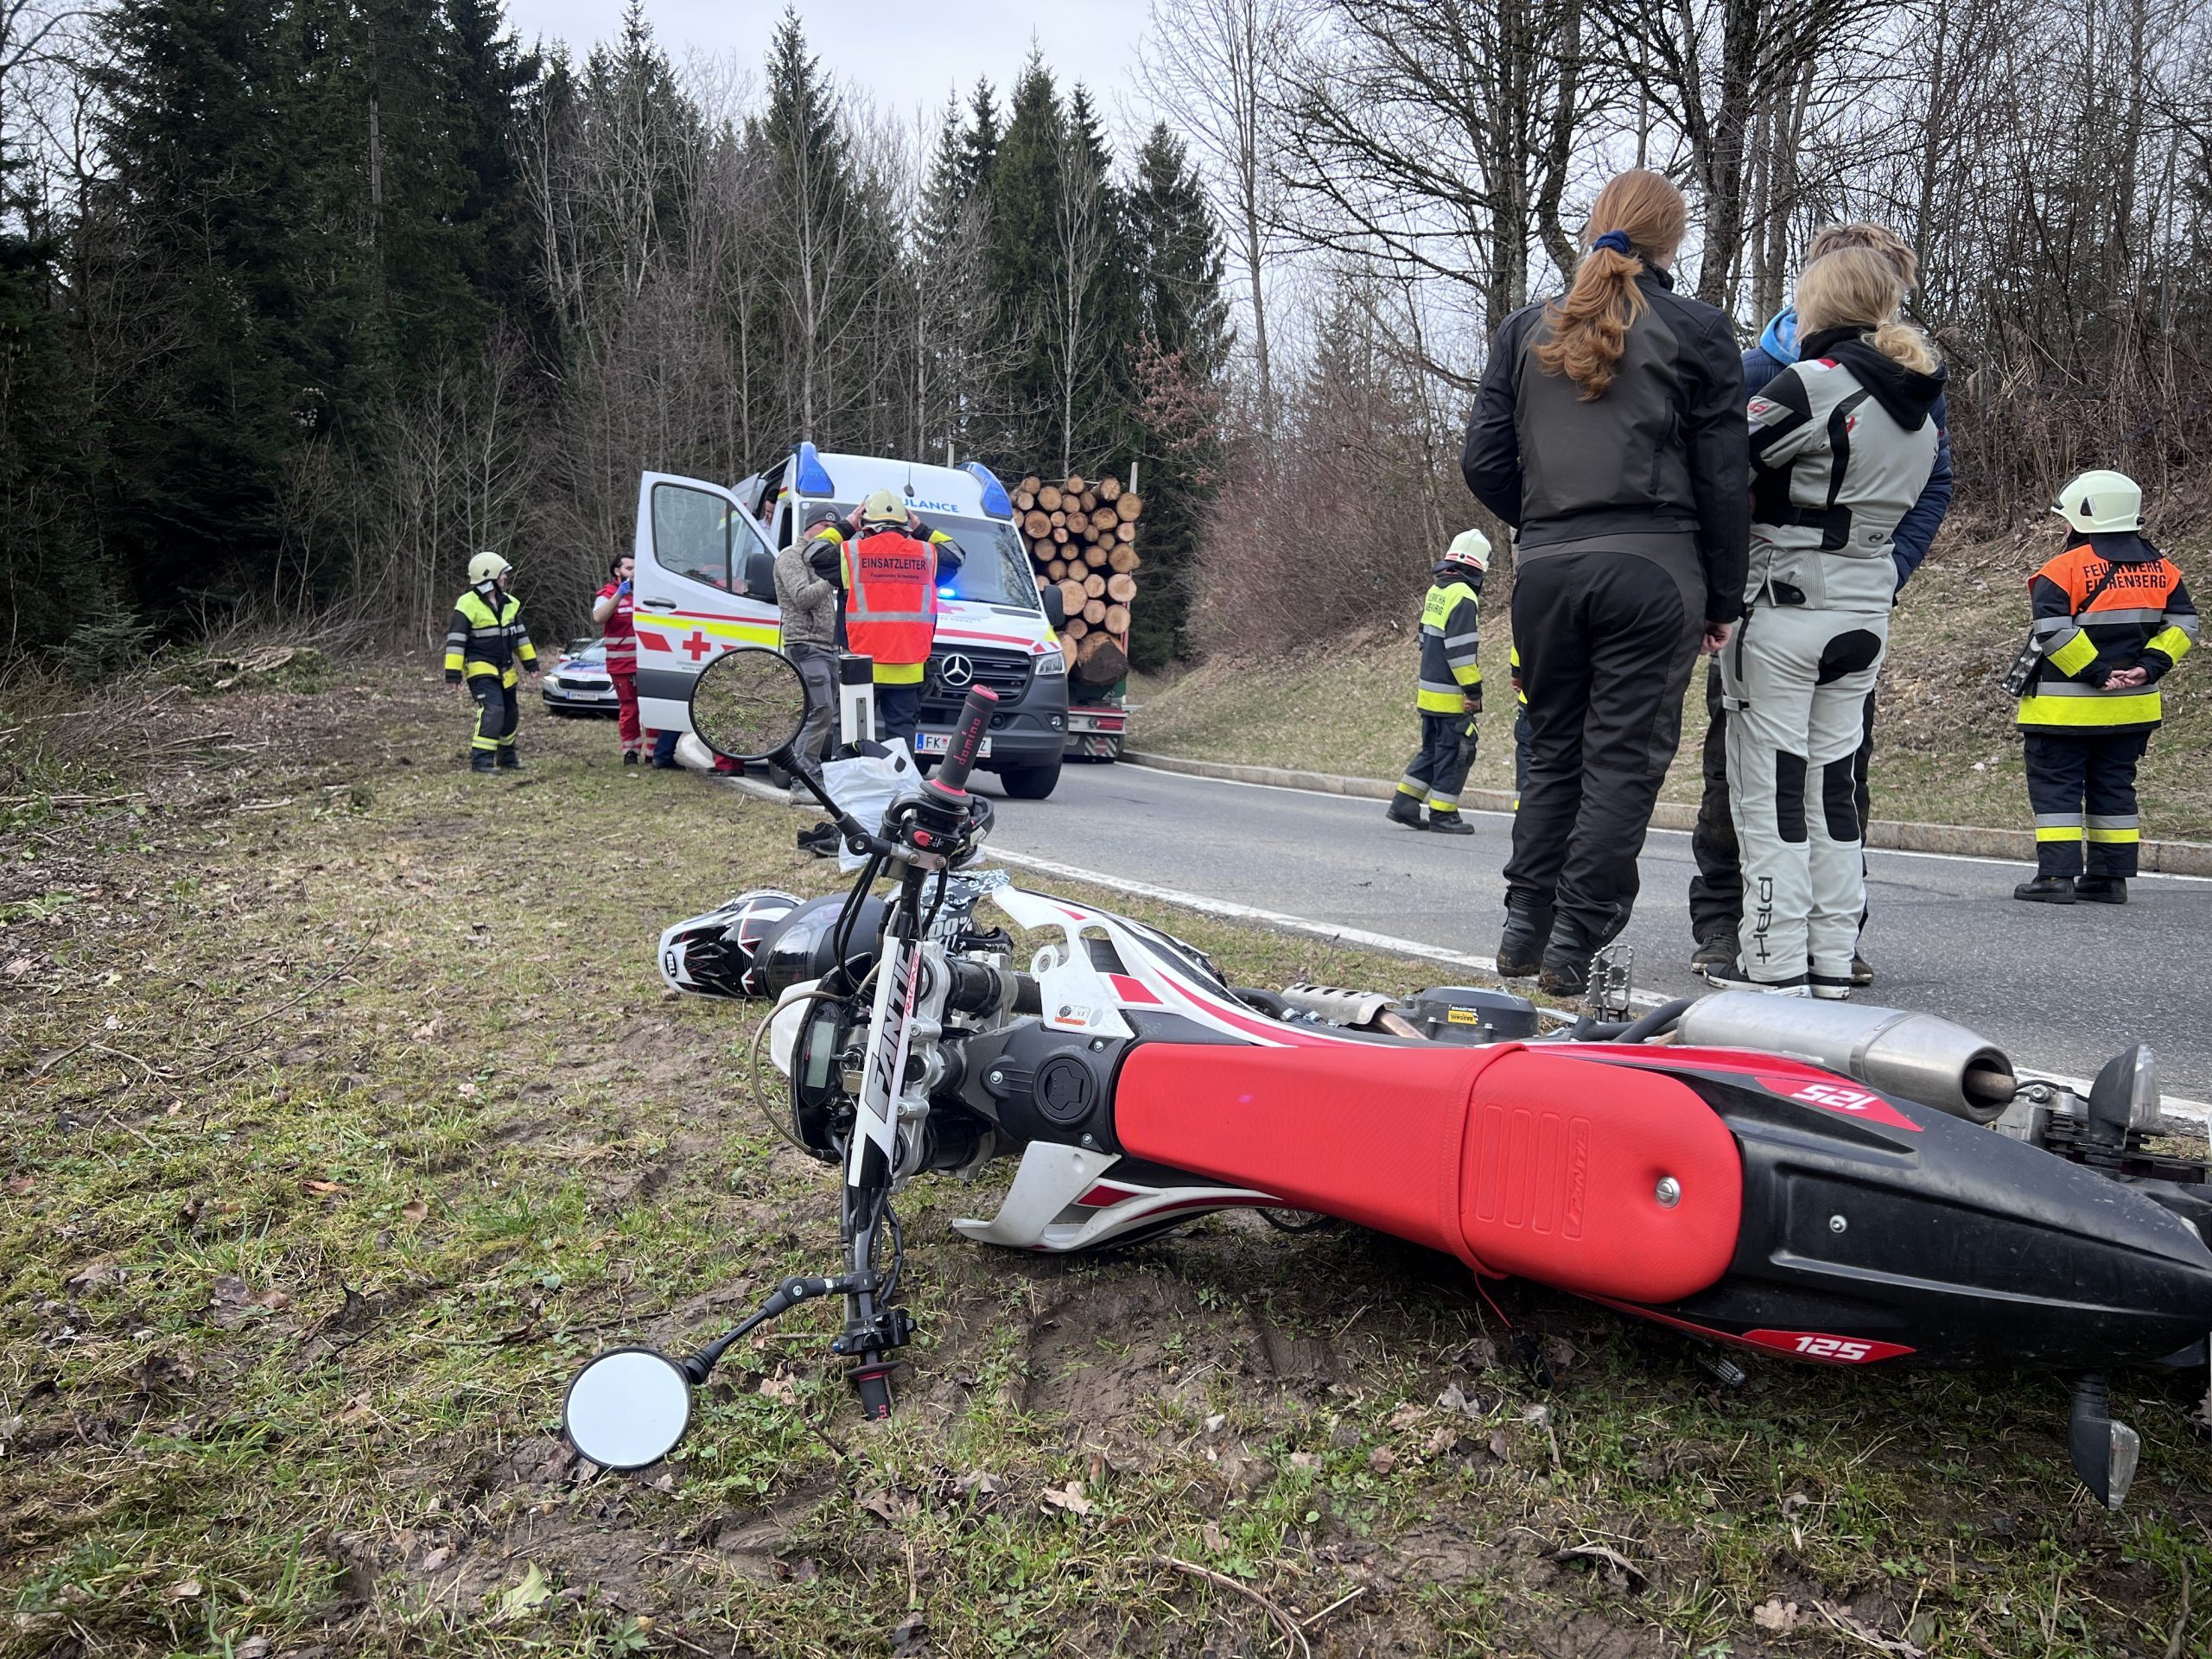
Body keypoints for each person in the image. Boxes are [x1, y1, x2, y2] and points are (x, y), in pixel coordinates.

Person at [1461, 169, 1749, 995]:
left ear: (1595, 227)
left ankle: (1525, 926)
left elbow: (1483, 461)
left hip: (1548, 572)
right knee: (1620, 762)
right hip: (1655, 569)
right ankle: (1573, 942)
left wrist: (1549, 518)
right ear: (1672, 240)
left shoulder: (1524, 329)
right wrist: (1722, 598)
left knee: (1552, 752)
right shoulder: (1696, 330)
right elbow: (1725, 479)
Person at [1688, 222, 1955, 985]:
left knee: (1767, 789)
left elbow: (1721, 464)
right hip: (1866, 610)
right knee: (1835, 790)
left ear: (1817, 302)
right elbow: (1923, 497)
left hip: (1786, 607)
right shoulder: (1920, 400)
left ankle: (1769, 964)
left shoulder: (1807, 383)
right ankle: (1834, 958)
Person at [2011, 470, 2196, 905]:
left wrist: (2096, 671)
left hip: (2064, 711)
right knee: (2114, 786)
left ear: (2083, 515)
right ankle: (2110, 879)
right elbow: (2184, 624)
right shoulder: (2163, 569)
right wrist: (2149, 667)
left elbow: (2052, 632)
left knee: (2057, 790)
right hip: (2131, 709)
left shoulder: (2062, 569)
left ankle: (2056, 878)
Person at [804, 490, 959, 754]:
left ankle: (852, 793)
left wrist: (845, 526)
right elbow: (956, 554)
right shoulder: (927, 554)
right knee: (901, 740)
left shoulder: (853, 553)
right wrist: (922, 529)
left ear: (865, 527)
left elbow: (812, 552)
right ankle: (899, 792)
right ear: (906, 525)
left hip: (861, 667)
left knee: (854, 736)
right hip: (909, 668)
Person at [1388, 529, 1490, 836]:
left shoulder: (1437, 590)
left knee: (1431, 751)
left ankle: (1405, 803)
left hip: (1429, 693)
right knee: (1457, 753)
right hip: (1450, 697)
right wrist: (1473, 690)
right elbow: (1460, 653)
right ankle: (1444, 815)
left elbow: (1422, 637)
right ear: (1477, 568)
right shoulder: (1464, 597)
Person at [443, 550, 539, 772]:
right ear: (489, 577)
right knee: (493, 711)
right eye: (502, 575)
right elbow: (456, 641)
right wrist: (453, 674)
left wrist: (531, 663)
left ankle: (507, 757)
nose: (505, 578)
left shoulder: (510, 604)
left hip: (506, 670)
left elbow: (521, 637)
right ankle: (481, 761)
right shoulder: (467, 605)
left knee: (510, 712)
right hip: (481, 669)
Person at [592, 554, 646, 764]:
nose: (634, 572)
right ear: (617, 571)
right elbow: (598, 617)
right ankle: (630, 752)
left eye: (636, 568)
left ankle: (654, 754)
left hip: (646, 664)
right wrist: (618, 597)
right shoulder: (608, 594)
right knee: (630, 709)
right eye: (629, 568)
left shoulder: (644, 594)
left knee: (652, 709)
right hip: (622, 665)